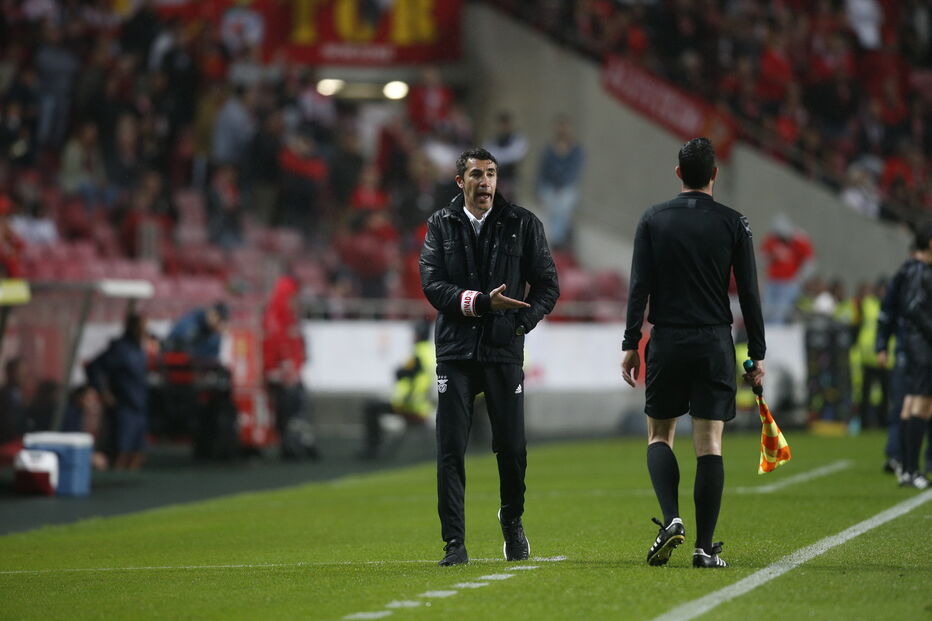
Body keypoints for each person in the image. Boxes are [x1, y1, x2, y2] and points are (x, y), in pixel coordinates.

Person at [621, 138, 766, 569]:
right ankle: (703, 549)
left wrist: (630, 343)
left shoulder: (653, 219)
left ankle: (671, 519)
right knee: (710, 444)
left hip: (667, 340)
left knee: (659, 436)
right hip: (713, 342)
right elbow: (750, 293)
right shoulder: (734, 222)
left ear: (678, 173)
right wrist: (756, 353)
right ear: (714, 175)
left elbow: (639, 286)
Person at [420, 147, 559, 566]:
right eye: (477, 175)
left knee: (512, 448)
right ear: (459, 181)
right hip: (456, 353)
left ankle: (512, 520)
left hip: (502, 351)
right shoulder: (440, 224)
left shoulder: (523, 223)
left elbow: (548, 285)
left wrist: (520, 323)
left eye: (492, 174)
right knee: (450, 449)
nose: (486, 182)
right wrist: (481, 303)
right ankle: (454, 543)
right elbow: (432, 284)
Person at [878, 222, 932, 490]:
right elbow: (913, 307)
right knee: (921, 404)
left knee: (911, 403)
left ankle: (908, 469)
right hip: (921, 346)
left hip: (912, 344)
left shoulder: (911, 270)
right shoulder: (919, 271)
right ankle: (911, 469)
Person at [359, 320, 436, 460]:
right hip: (420, 405)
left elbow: (404, 374)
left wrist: (400, 372)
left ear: (419, 334)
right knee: (373, 406)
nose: (412, 336)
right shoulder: (428, 352)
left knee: (370, 407)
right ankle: (375, 446)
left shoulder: (419, 354)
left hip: (410, 405)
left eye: (414, 333)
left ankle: (373, 448)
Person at [86, 313, 149, 470]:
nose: (144, 331)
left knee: (137, 453)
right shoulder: (120, 349)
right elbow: (94, 367)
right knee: (121, 452)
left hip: (139, 407)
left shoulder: (139, 349)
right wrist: (103, 392)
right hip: (124, 407)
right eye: (141, 327)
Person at [536, 115, 585, 250]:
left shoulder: (576, 150)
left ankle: (558, 242)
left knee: (562, 209)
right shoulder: (549, 149)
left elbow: (573, 173)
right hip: (549, 187)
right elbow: (542, 171)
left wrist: (560, 182)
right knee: (548, 213)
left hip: (566, 188)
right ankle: (549, 242)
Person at [760, 214, 814, 324]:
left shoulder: (799, 240)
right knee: (767, 308)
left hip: (788, 283)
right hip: (772, 280)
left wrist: (800, 279)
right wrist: (769, 259)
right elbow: (761, 259)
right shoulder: (772, 239)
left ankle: (776, 329)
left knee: (782, 309)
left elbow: (810, 262)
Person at [163, 302, 229, 361]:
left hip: (198, 367)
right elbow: (173, 345)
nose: (219, 325)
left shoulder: (215, 336)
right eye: (219, 320)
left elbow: (212, 358)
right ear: (212, 313)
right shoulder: (190, 323)